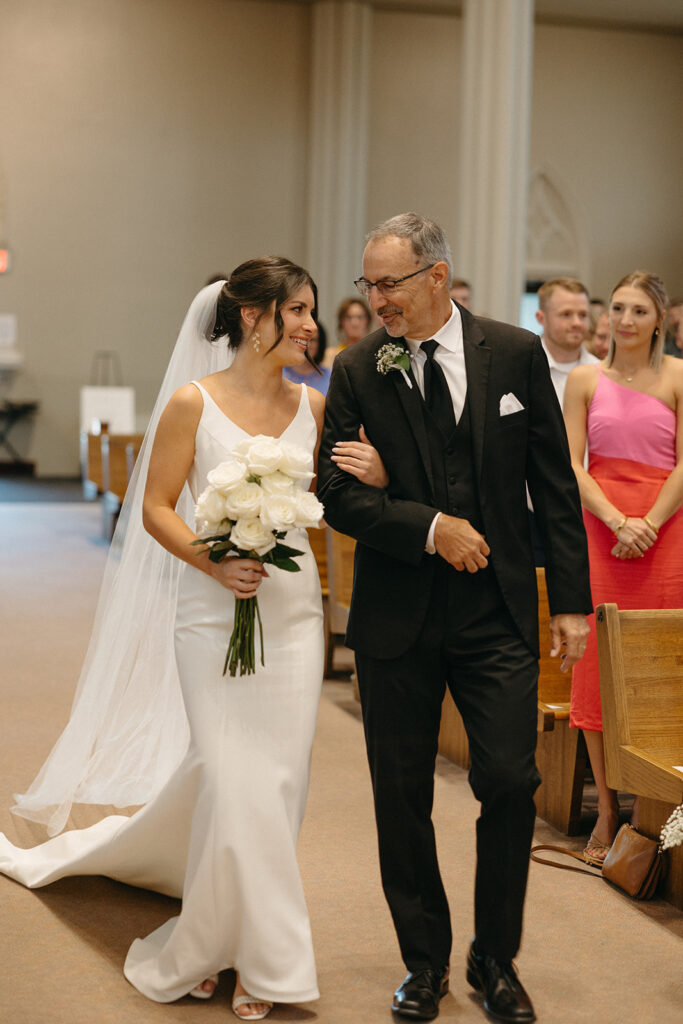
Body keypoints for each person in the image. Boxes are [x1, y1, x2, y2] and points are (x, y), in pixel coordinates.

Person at [0, 259, 386, 1019]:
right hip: (209, 614)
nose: (312, 324)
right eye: (299, 310)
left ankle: (216, 943)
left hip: (291, 614)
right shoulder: (192, 403)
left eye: (311, 311)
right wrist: (213, 561)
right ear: (252, 317)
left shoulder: (315, 410)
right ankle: (248, 956)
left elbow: (337, 502)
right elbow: (156, 509)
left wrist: (375, 472)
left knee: (274, 785)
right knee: (232, 774)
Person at [318, 213, 592, 1024]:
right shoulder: (359, 368)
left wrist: (571, 601)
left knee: (509, 779)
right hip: (397, 613)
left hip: (495, 612)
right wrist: (428, 527)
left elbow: (553, 484)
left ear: (436, 276)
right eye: (368, 285)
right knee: (400, 795)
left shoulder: (511, 353)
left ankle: (493, 959)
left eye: (390, 284)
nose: (377, 301)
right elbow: (335, 494)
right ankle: (424, 962)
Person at [563, 270, 683, 866]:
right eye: (617, 308)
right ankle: (606, 809)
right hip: (601, 527)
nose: (626, 320)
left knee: (655, 665)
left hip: (666, 530)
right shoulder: (585, 379)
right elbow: (571, 464)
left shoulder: (680, 377)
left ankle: (645, 810)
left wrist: (651, 524)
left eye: (639, 310)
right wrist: (616, 521)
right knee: (594, 665)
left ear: (658, 319)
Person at [535, 277, 597, 409]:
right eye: (566, 314)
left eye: (582, 315)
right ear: (541, 318)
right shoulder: (525, 368)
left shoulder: (600, 372)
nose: (577, 323)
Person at [283, 321, 332, 395]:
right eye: (302, 339)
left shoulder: (331, 377)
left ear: (320, 344)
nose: (307, 345)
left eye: (312, 340)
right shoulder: (279, 374)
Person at [322, 295, 371, 366]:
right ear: (341, 322)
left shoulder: (376, 355)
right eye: (348, 317)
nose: (355, 323)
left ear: (368, 322)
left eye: (360, 317)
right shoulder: (330, 356)